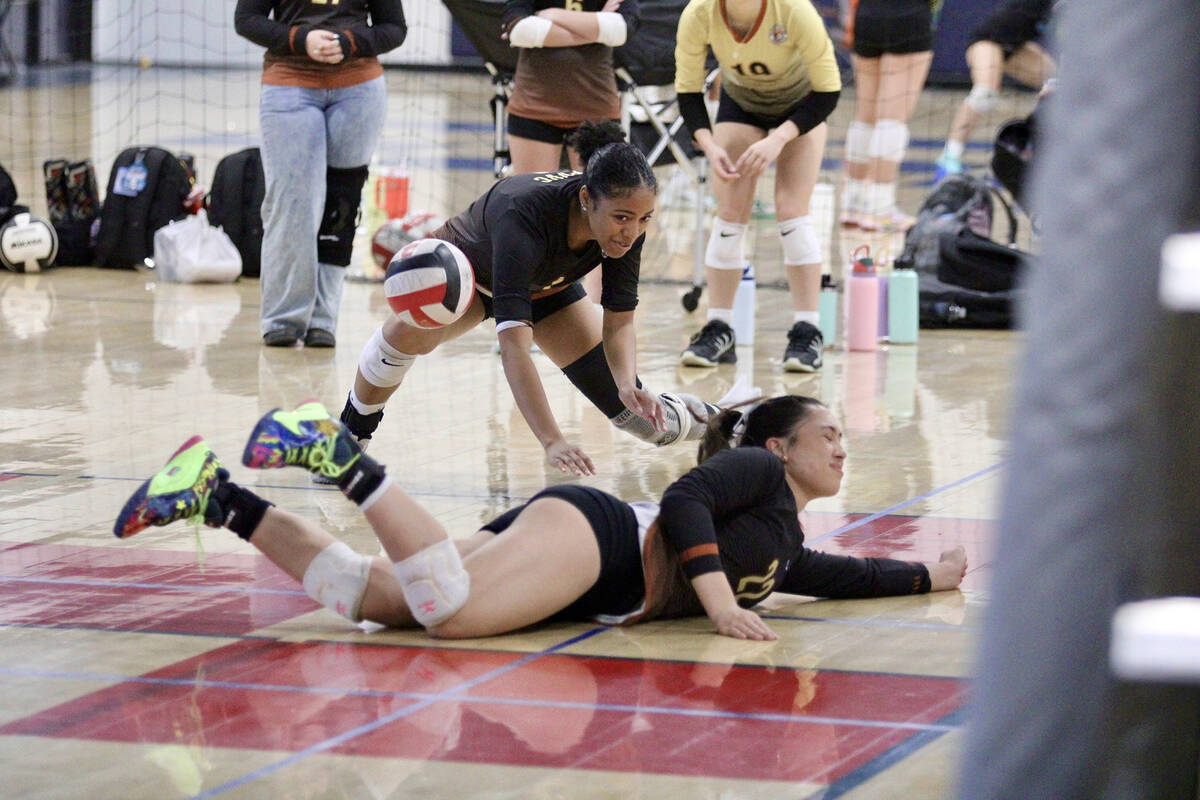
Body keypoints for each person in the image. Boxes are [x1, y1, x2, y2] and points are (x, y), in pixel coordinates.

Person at [113, 396, 968, 640]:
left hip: (589, 563)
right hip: (597, 537)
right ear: (778, 448)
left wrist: (927, 575)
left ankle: (216, 497)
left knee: (382, 599)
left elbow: (841, 577)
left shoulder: (784, 543)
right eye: (828, 434)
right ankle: (339, 457)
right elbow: (682, 500)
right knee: (450, 614)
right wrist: (715, 603)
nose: (843, 448)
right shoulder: (748, 473)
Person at [336, 122, 717, 478]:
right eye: (622, 218)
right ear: (587, 199)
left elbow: (619, 322)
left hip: (549, 287)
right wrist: (551, 440)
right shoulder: (525, 215)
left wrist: (625, 384)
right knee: (408, 335)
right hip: (470, 274)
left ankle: (731, 423)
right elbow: (514, 349)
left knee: (643, 423)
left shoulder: (627, 222)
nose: (631, 232)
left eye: (644, 219)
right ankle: (347, 437)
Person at [673, 0, 841, 373]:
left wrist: (778, 139)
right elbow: (687, 91)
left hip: (801, 107)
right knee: (730, 211)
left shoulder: (794, 11)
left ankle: (808, 329)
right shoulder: (699, 14)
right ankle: (719, 327)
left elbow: (829, 91)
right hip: (742, 105)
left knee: (791, 210)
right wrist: (710, 145)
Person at [234, 0, 407, 349]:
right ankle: (283, 318)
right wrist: (301, 39)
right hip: (288, 85)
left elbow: (394, 29)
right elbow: (247, 20)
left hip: (359, 90)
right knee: (293, 204)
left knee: (340, 208)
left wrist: (349, 43)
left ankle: (323, 320)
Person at [501, 0, 642, 305]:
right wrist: (596, 26)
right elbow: (522, 32)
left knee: (604, 212)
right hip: (534, 108)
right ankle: (523, 308)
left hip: (596, 114)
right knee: (531, 214)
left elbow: (619, 31)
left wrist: (551, 17)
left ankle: (596, 312)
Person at [932, 0, 1056, 182]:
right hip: (988, 41)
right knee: (985, 93)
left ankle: (1040, 147)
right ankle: (949, 157)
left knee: (1061, 84)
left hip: (1017, 46)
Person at [840, 0, 936, 232]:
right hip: (908, 16)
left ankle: (852, 204)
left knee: (866, 114)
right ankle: (879, 207)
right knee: (893, 118)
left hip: (866, 16)